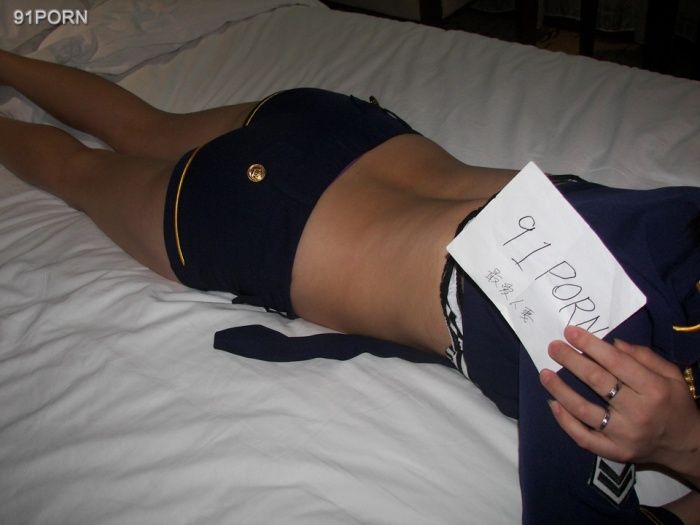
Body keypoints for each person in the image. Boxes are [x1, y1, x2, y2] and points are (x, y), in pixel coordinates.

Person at [0, 49, 698, 524]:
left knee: (142, 128)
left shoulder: (677, 228)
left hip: (343, 130)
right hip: (267, 223)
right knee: (75, 173)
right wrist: (678, 446)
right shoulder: (622, 376)